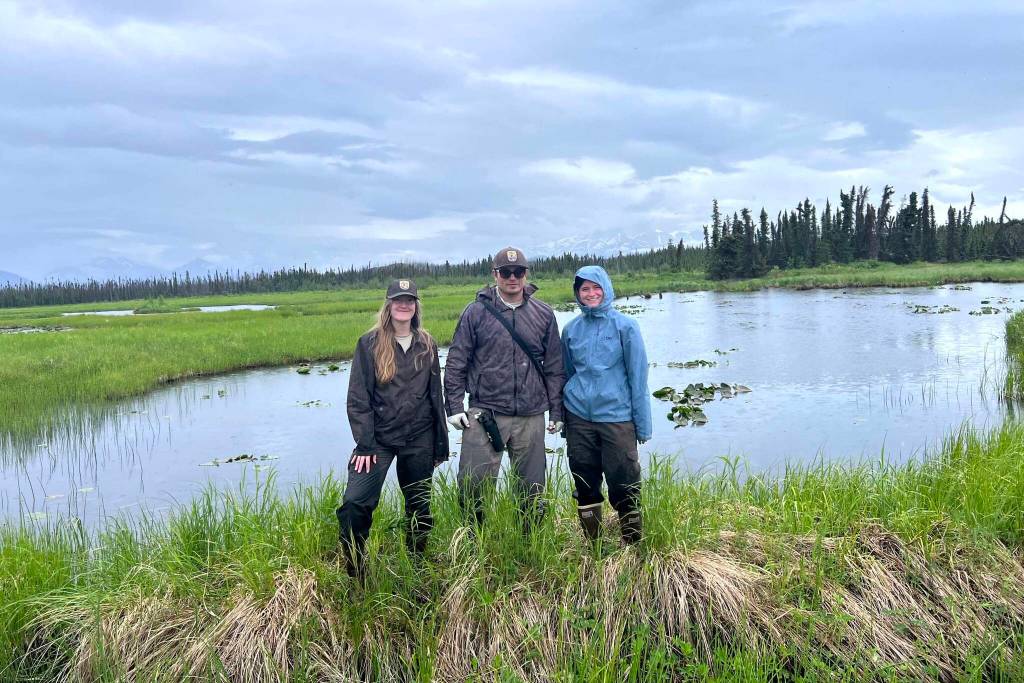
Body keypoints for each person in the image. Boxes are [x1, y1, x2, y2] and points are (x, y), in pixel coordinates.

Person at [444, 247, 565, 528]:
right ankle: (473, 543)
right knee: (474, 486)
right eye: (506, 272)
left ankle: (530, 544)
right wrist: (454, 407)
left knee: (532, 489)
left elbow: (555, 368)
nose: (513, 277)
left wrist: (556, 411)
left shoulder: (544, 314)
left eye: (518, 272)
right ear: (495, 274)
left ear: (526, 274)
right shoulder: (475, 313)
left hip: (531, 414)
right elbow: (456, 362)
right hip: (485, 412)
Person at [336, 278, 449, 578]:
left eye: (409, 300)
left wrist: (440, 444)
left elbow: (434, 396)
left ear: (416, 306)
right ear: (388, 305)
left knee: (419, 507)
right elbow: (358, 398)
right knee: (355, 503)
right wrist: (365, 444)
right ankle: (355, 570)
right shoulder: (369, 344)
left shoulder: (427, 343)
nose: (404, 305)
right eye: (398, 300)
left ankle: (417, 566)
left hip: (419, 438)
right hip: (378, 441)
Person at [560, 265, 652, 544]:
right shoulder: (571, 330)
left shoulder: (626, 327)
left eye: (595, 287)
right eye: (584, 289)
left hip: (617, 417)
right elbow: (567, 374)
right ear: (577, 293)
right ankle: (595, 547)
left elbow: (638, 377)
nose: (590, 294)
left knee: (625, 481)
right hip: (579, 418)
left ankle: (633, 544)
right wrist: (565, 421)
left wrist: (643, 425)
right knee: (584, 482)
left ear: (606, 289)